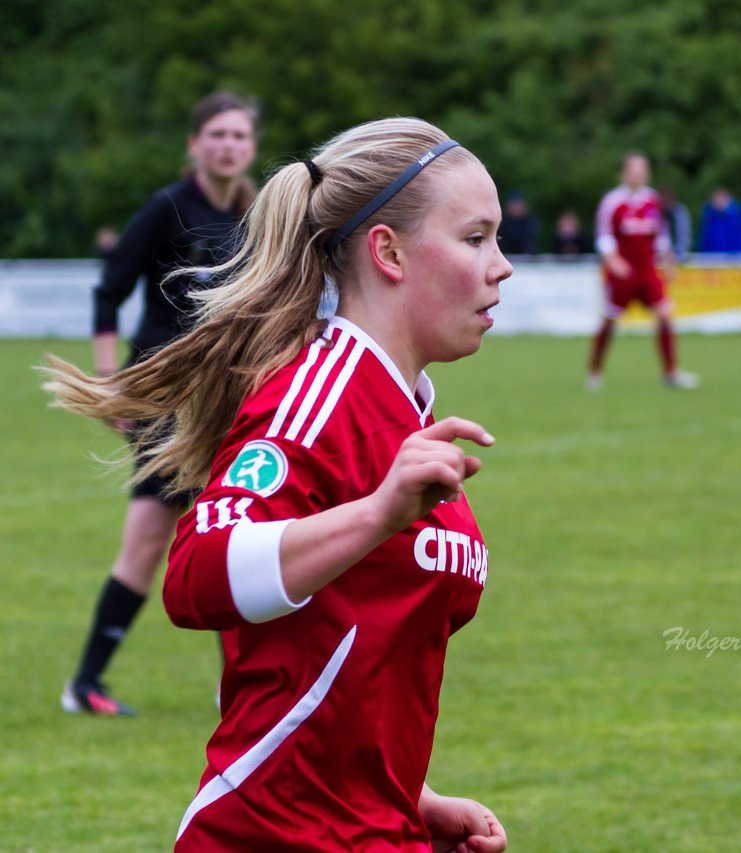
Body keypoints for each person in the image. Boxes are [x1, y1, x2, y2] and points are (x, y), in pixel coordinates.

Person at [43, 118, 511, 851]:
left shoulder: (403, 408)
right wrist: (377, 513)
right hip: (269, 834)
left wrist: (412, 797)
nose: (501, 265)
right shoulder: (317, 398)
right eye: (476, 237)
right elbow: (196, 574)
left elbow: (342, 657)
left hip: (372, 830)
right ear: (388, 250)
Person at [61, 92, 259, 716]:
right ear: (194, 145)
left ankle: (239, 684)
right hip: (160, 396)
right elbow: (108, 292)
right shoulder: (167, 207)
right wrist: (108, 379)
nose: (228, 145)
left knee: (220, 530)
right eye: (217, 134)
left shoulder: (253, 218)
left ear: (251, 148)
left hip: (222, 396)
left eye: (239, 136)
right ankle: (88, 684)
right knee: (173, 535)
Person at [589, 151, 700, 390]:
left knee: (664, 315)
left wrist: (669, 262)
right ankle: (595, 372)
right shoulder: (612, 202)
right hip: (623, 274)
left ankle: (671, 373)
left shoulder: (652, 200)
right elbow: (603, 237)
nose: (637, 173)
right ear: (624, 173)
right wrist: (613, 260)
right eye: (633, 169)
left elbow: (661, 236)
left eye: (642, 169)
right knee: (609, 320)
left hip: (648, 271)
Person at [697, 186, 741, 253]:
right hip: (711, 259)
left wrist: (738, 256)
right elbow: (703, 240)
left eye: (722, 200)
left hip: (732, 259)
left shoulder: (736, 217)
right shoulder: (708, 217)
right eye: (717, 200)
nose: (719, 203)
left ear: (728, 200)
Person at [497, 189, 540, 256]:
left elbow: (532, 244)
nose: (516, 207)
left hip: (527, 261)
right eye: (514, 204)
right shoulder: (501, 222)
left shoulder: (530, 222)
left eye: (518, 204)